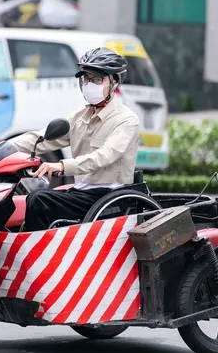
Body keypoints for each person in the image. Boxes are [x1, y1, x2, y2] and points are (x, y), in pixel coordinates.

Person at [10, 47, 140, 231]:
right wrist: (2, 149)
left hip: (107, 196)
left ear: (114, 82)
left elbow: (104, 156)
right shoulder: (80, 116)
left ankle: (35, 255)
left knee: (39, 200)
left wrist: (62, 165)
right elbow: (43, 138)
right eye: (86, 79)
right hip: (80, 192)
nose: (89, 84)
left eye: (97, 79)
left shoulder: (126, 120)